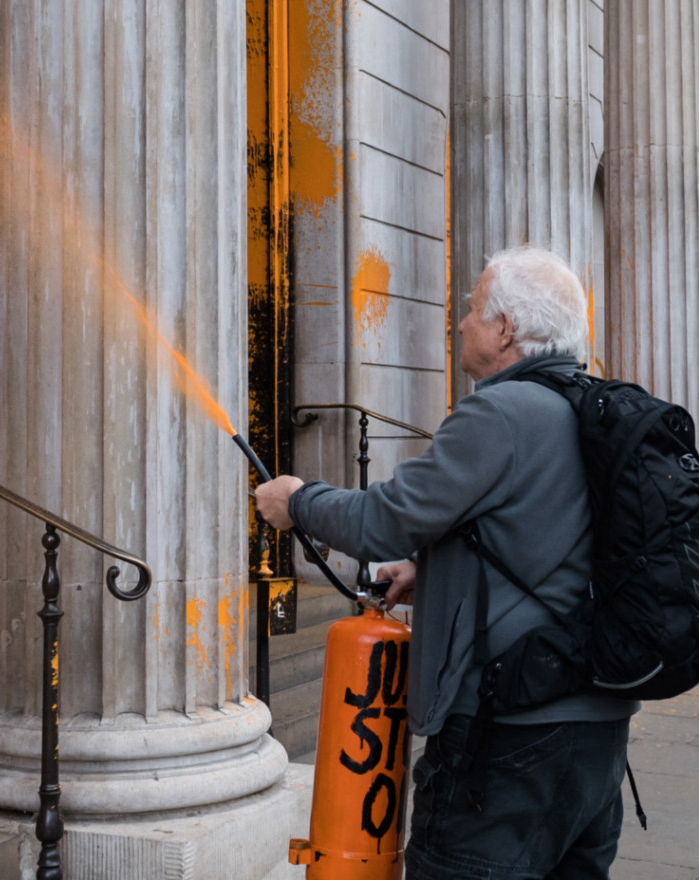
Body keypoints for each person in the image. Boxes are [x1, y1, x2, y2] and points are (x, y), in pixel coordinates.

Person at [253, 247, 634, 880]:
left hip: (506, 732)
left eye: (473, 309)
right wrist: (428, 575)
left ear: (506, 329)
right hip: (596, 735)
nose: (460, 324)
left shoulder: (500, 414)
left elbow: (387, 519)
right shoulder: (590, 408)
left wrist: (299, 500)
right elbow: (548, 541)